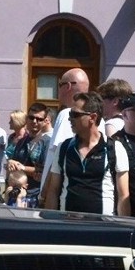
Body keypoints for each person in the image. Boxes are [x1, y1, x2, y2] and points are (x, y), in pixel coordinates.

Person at [43, 92, 130, 215]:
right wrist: (49, 225)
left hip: (102, 227)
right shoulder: (64, 147)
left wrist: (122, 229)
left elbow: (123, 195)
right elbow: (53, 190)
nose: (70, 118)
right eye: (70, 114)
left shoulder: (115, 148)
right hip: (68, 225)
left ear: (93, 117)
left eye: (75, 114)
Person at [39, 68, 91, 202]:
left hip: (59, 194)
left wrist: (44, 193)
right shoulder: (94, 117)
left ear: (67, 86)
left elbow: (57, 157)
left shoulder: (68, 114)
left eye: (59, 85)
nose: (58, 90)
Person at [5, 102, 48, 190]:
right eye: (31, 118)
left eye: (39, 119)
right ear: (27, 119)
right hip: (16, 192)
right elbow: (15, 163)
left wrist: (22, 168)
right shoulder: (21, 141)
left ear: (44, 121)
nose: (34, 121)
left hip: (36, 194)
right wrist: (10, 163)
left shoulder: (47, 142)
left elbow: (44, 171)